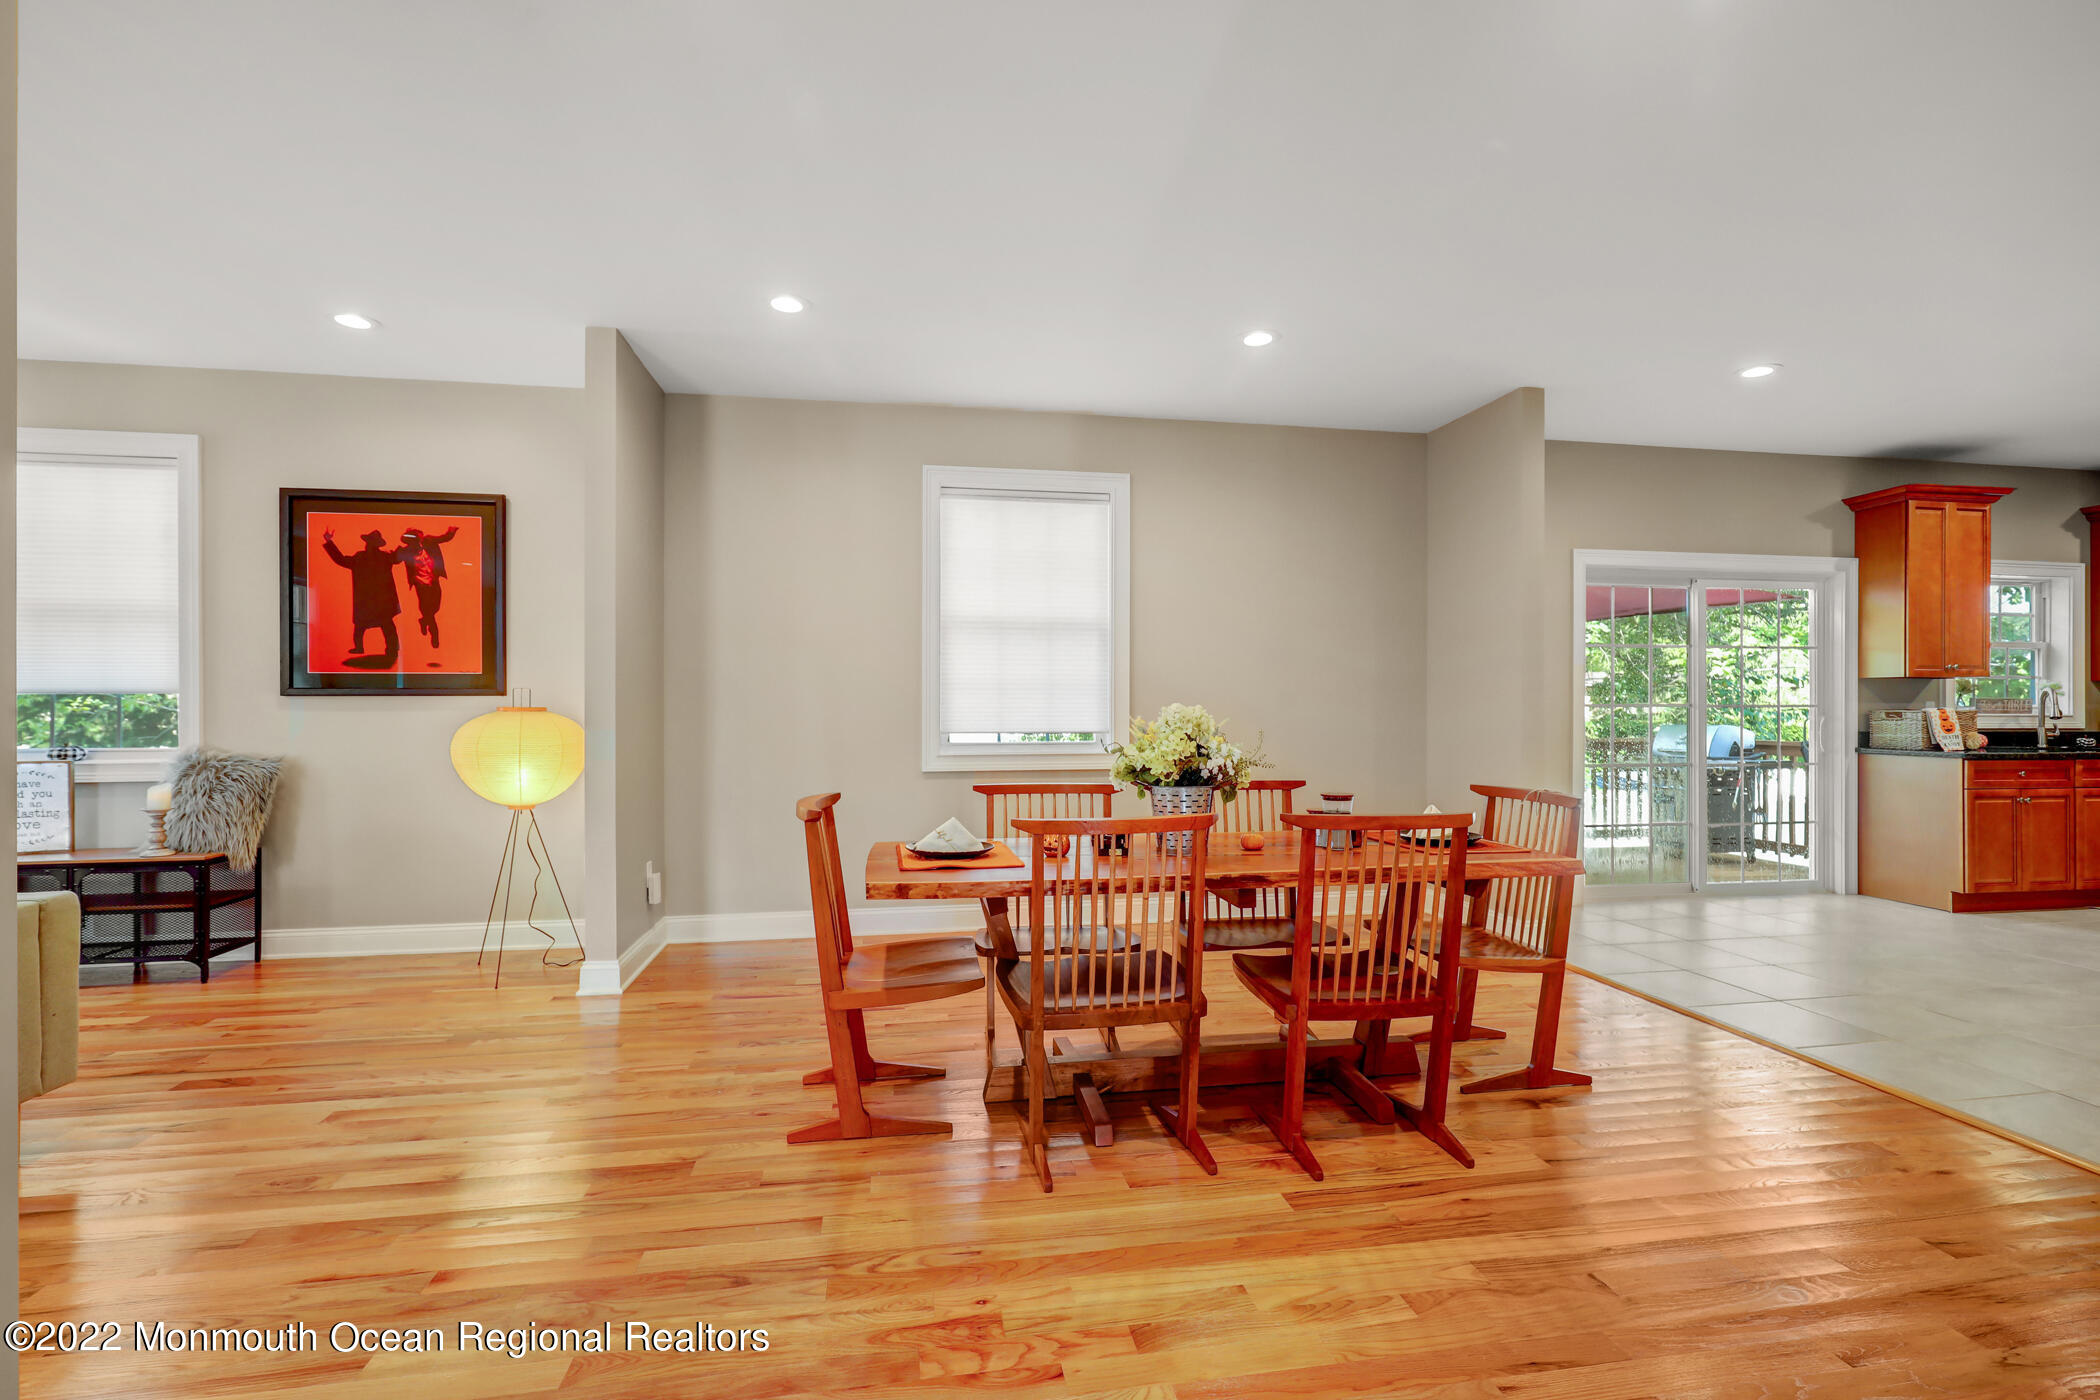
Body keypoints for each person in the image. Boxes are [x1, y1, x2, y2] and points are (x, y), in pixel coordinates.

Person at [321, 528, 402, 664]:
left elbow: (340, 559)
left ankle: (363, 648)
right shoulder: (383, 557)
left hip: (370, 600)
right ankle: (389, 649)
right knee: (382, 624)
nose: (368, 545)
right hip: (378, 600)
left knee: (365, 625)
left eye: (369, 542)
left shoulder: (364, 557)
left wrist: (329, 541)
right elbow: (398, 557)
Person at [395, 526, 458, 654]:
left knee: (435, 607)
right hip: (420, 585)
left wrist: (451, 531)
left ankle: (423, 621)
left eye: (417, 537)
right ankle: (434, 636)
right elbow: (394, 559)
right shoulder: (407, 551)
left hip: (433, 581)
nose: (416, 541)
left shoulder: (429, 541)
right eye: (412, 539)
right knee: (427, 611)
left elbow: (445, 538)